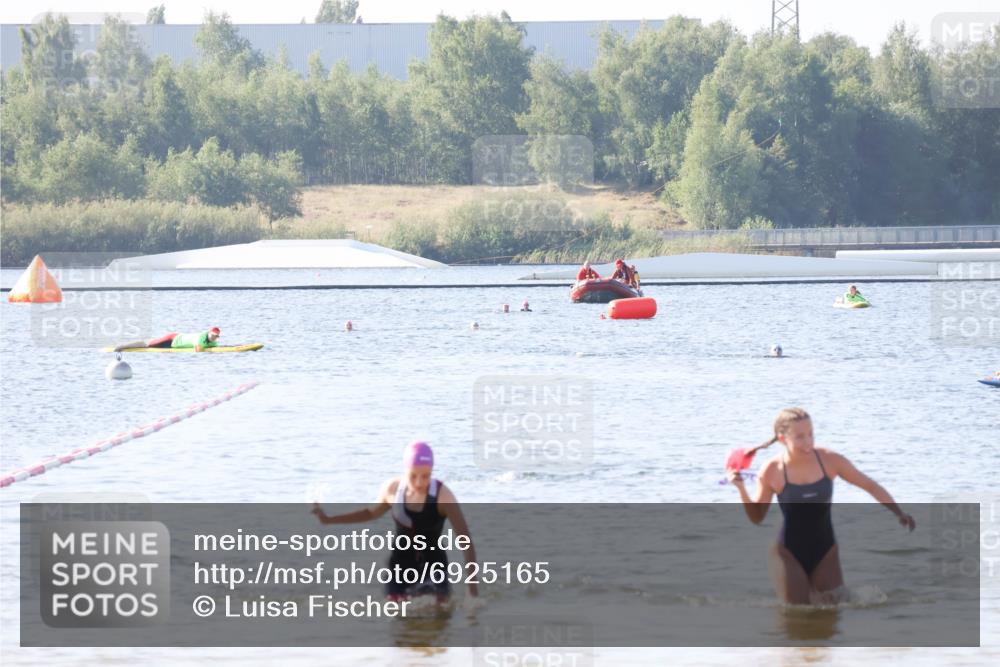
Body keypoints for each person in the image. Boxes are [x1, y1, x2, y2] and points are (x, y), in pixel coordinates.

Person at [727, 408, 914, 605]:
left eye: (811, 434)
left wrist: (898, 512)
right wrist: (741, 489)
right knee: (797, 616)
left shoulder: (830, 460)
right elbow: (757, 517)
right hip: (788, 553)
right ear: (782, 439)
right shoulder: (772, 469)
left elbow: (869, 485)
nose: (808, 442)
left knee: (833, 614)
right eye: (800, 437)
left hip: (826, 551)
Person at [312, 441, 478, 603]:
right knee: (399, 620)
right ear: (405, 470)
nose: (419, 482)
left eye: (426, 476)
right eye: (413, 476)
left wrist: (472, 590)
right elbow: (370, 513)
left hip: (434, 566)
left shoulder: (443, 496)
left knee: (437, 617)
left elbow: (465, 541)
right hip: (400, 566)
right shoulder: (392, 490)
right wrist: (329, 520)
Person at [114, 327, 221, 352]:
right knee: (147, 344)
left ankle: (151, 340)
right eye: (213, 335)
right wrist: (209, 351)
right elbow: (198, 349)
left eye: (216, 336)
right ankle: (122, 346)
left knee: (152, 343)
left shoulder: (213, 341)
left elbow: (214, 346)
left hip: (173, 344)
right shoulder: (201, 337)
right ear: (209, 333)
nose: (214, 337)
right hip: (172, 339)